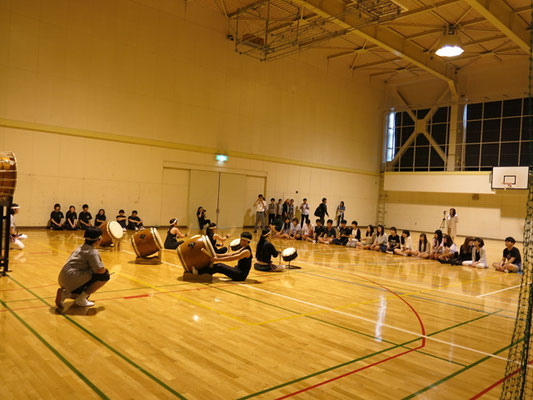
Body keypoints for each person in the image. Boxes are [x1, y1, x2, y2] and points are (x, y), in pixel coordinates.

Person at [55, 227, 111, 308]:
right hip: (72, 278)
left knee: (85, 291)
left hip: (63, 278)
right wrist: (105, 270)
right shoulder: (92, 252)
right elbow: (100, 270)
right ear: (98, 239)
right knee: (105, 275)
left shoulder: (80, 247)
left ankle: (64, 295)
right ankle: (81, 299)